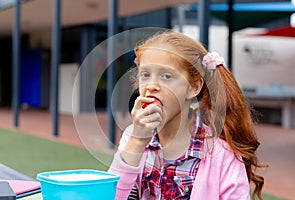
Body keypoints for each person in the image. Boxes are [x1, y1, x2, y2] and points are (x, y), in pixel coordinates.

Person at [109, 31, 265, 200]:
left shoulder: (222, 155)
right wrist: (137, 142)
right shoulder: (131, 140)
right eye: (145, 75)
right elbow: (110, 196)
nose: (151, 85)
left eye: (166, 76)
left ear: (193, 87)